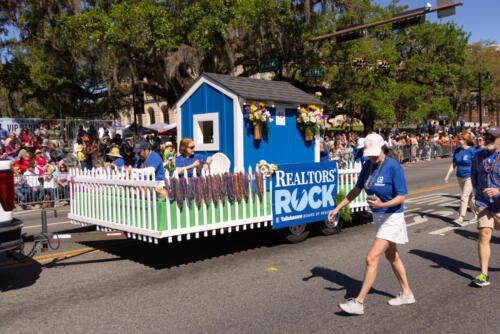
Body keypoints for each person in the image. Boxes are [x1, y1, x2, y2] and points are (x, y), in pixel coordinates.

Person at [328, 133, 414, 315]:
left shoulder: (393, 166)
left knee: (371, 257)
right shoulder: (368, 165)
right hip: (379, 217)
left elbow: (402, 196)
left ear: (383, 148)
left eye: (375, 153)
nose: (372, 157)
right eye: (370, 154)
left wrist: (383, 204)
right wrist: (338, 208)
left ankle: (359, 302)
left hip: (392, 216)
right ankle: (407, 293)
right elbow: (357, 189)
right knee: (392, 256)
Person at [470, 126, 500, 287]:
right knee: (484, 234)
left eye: (492, 137)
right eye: (486, 136)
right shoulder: (478, 155)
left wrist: (498, 190)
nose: (488, 139)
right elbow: (473, 175)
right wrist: (477, 195)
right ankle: (483, 274)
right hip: (484, 203)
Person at [444, 133, 478, 225]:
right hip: (460, 176)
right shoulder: (457, 151)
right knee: (470, 198)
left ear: (466, 140)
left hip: (469, 177)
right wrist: (447, 175)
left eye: (461, 139)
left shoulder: (472, 151)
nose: (459, 141)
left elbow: (477, 164)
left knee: (464, 196)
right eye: (459, 139)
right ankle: (477, 215)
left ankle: (460, 217)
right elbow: (453, 164)